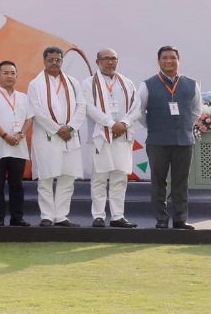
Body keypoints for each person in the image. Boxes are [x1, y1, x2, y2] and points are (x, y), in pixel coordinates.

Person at [138, 46, 202, 230]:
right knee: (158, 181)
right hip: (157, 141)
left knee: (181, 182)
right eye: (164, 58)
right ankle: (161, 219)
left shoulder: (191, 84)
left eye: (173, 58)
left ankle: (181, 219)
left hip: (184, 140)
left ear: (178, 60)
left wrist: (184, 125)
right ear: (159, 61)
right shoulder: (147, 84)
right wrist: (155, 127)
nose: (169, 61)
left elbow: (196, 110)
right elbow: (140, 112)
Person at [27, 46, 85, 227]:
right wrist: (58, 129)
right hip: (47, 136)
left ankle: (61, 216)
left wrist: (71, 127)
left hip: (69, 136)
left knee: (67, 177)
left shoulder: (73, 82)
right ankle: (46, 215)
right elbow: (36, 111)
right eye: (50, 60)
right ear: (44, 61)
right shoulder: (35, 84)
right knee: (45, 177)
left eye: (58, 60)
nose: (54, 63)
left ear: (62, 61)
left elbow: (81, 106)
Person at [84, 49, 140, 228]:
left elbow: (137, 108)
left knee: (120, 178)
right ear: (97, 62)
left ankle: (117, 216)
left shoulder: (127, 82)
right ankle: (98, 216)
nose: (110, 62)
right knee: (99, 178)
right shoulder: (88, 83)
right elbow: (89, 108)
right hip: (100, 136)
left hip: (122, 136)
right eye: (106, 59)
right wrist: (111, 124)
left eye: (113, 59)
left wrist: (123, 124)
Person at [0, 60, 33, 226]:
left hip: (18, 146)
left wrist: (21, 135)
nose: (9, 76)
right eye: (5, 73)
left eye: (12, 73)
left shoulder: (24, 97)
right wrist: (5, 136)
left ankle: (17, 217)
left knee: (17, 185)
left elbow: (29, 118)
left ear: (17, 76)